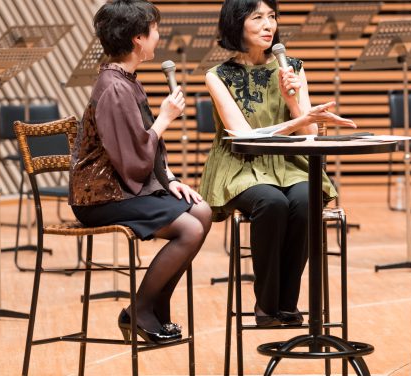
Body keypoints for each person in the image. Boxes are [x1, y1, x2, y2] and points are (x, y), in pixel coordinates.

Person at [199, 0, 355, 327]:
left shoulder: (293, 68)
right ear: (237, 23)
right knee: (271, 203)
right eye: (258, 17)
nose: (269, 25)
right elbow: (243, 138)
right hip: (241, 164)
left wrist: (292, 101)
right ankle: (266, 305)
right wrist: (293, 121)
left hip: (290, 162)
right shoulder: (217, 76)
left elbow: (311, 133)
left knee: (304, 199)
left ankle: (288, 302)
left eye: (272, 16)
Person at [69, 0, 212, 344]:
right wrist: (165, 118)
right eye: (154, 29)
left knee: (203, 212)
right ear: (137, 38)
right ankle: (140, 311)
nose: (158, 35)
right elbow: (132, 157)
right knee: (190, 230)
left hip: (122, 188)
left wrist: (172, 181)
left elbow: (145, 148)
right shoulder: (115, 87)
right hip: (101, 196)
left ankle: (157, 306)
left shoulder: (126, 80)